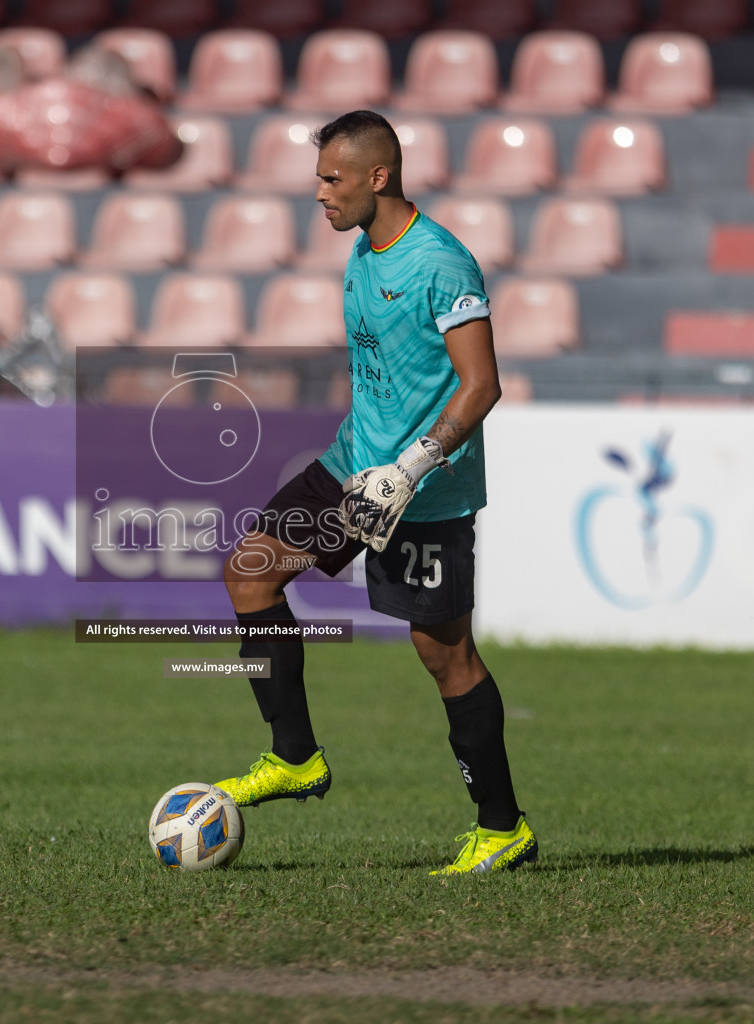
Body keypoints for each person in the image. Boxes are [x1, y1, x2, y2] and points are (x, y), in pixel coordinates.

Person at [213, 110, 536, 875]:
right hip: (353, 463)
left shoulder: (441, 262)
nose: (320, 194)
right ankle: (294, 757)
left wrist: (412, 467)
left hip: (425, 492)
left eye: (332, 179)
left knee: (444, 656)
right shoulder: (362, 248)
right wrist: (373, 465)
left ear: (377, 177)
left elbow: (481, 385)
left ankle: (502, 828)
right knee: (250, 574)